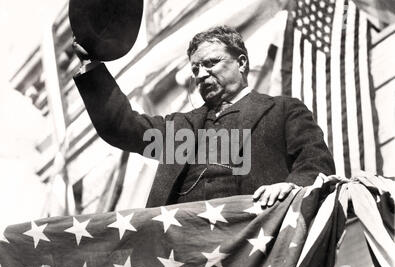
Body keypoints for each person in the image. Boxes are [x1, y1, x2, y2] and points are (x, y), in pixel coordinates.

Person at [72, 25, 335, 208]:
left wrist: (290, 187)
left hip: (254, 245)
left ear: (241, 63)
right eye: (196, 68)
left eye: (211, 63)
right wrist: (90, 67)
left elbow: (315, 162)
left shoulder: (283, 110)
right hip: (184, 255)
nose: (200, 74)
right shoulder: (179, 129)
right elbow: (121, 127)